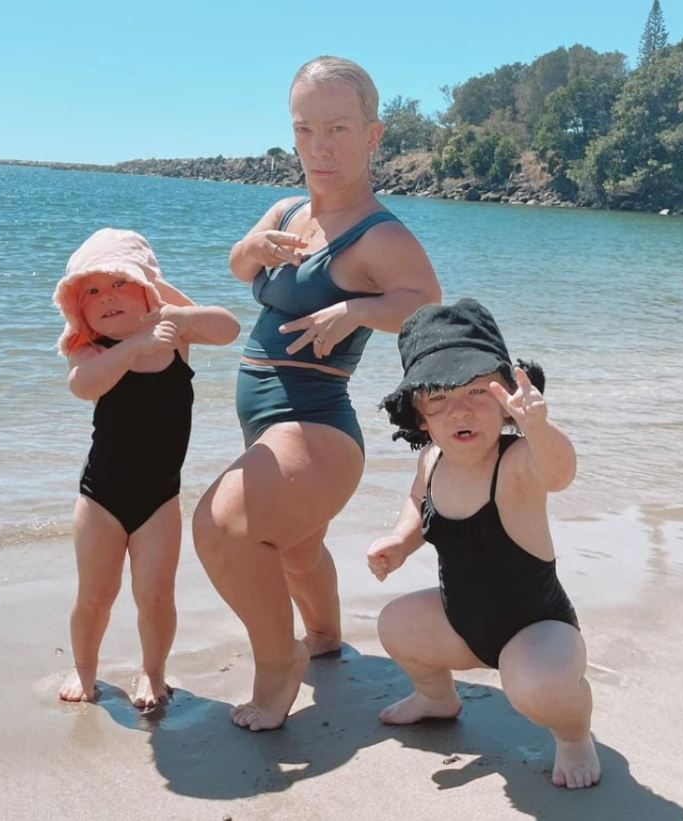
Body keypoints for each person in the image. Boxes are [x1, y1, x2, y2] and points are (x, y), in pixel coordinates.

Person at [192, 55, 441, 731]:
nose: (319, 146)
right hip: (270, 423)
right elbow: (238, 264)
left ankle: (280, 664)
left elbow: (426, 304)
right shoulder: (288, 209)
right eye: (305, 129)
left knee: (221, 527)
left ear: (372, 135)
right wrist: (255, 248)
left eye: (337, 128)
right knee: (296, 550)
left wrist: (354, 310)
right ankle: (324, 637)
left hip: (316, 425)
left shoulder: (379, 233)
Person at [366, 298, 601, 789]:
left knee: (538, 687)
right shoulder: (431, 461)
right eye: (438, 397)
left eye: (477, 390)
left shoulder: (516, 462)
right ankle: (436, 697)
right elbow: (418, 502)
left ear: (507, 398)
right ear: (419, 416)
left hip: (539, 630)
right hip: (462, 623)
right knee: (396, 623)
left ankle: (574, 734)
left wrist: (538, 428)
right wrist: (401, 541)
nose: (461, 409)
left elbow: (559, 473)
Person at [53, 227, 240, 707]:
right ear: (79, 308)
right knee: (95, 595)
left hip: (160, 499)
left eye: (120, 282)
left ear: (146, 289)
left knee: (156, 597)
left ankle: (153, 672)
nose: (107, 296)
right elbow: (83, 386)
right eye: (92, 290)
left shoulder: (174, 336)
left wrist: (168, 307)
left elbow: (227, 328)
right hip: (100, 498)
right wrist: (134, 345)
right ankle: (84, 668)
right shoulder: (90, 348)